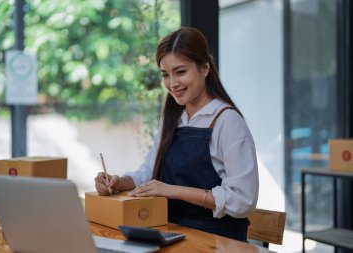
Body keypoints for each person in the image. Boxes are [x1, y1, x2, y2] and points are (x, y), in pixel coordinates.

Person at [95, 27, 259, 242]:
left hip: (218, 242)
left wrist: (173, 191)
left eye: (180, 72)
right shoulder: (173, 118)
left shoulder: (227, 122)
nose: (172, 84)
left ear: (205, 68)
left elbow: (242, 200)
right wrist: (118, 183)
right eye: (165, 75)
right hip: (172, 235)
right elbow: (148, 173)